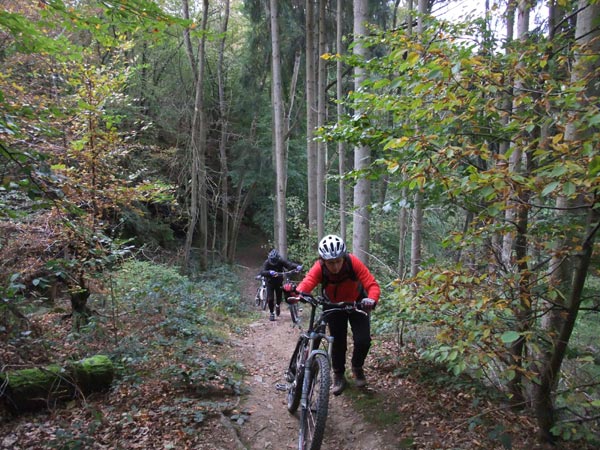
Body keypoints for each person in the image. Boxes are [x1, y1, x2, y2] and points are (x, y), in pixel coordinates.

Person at [283, 234, 380, 395]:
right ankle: (339, 375)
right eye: (330, 263)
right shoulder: (319, 267)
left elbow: (372, 284)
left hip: (358, 302)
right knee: (338, 341)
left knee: (363, 341)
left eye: (338, 261)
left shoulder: (352, 262)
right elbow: (308, 282)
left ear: (343, 257)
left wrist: (371, 299)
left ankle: (357, 367)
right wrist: (297, 294)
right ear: (323, 260)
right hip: (333, 305)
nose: (335, 266)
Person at [260, 248, 303, 322]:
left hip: (279, 281)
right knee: (270, 299)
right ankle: (272, 313)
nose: (273, 262)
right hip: (270, 282)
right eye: (272, 260)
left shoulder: (280, 261)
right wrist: (269, 272)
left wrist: (296, 266)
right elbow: (262, 272)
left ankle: (277, 305)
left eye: (275, 260)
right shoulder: (267, 262)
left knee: (279, 297)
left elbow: (289, 264)